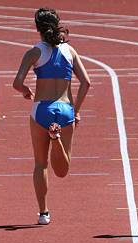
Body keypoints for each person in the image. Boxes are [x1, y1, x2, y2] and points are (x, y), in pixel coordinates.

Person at [13, 7, 91, 225]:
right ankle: (56, 138)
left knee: (40, 164)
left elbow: (16, 83)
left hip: (41, 110)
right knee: (62, 170)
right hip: (65, 109)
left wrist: (26, 91)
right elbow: (86, 82)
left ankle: (43, 213)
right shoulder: (70, 51)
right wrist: (76, 111)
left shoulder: (34, 53)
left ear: (37, 28)